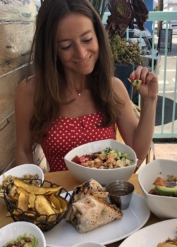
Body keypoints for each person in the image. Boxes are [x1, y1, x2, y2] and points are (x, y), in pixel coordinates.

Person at [15, 0, 158, 172]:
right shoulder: (32, 90)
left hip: (106, 195)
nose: (81, 53)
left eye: (87, 39)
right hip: (59, 196)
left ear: (98, 35)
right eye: (66, 46)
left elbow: (137, 154)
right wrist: (30, 190)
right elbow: (23, 150)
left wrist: (149, 99)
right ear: (51, 48)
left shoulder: (113, 88)